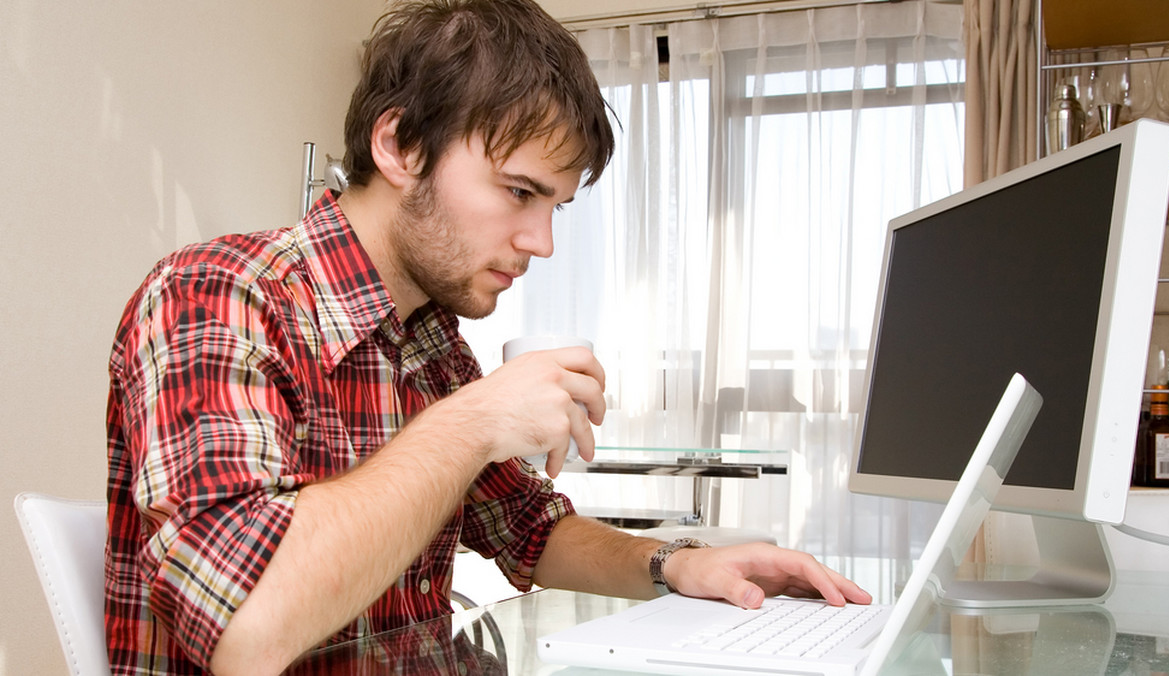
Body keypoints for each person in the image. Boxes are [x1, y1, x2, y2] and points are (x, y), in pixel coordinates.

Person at [104, 1, 872, 674]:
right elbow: (246, 629)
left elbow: (531, 531)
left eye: (556, 208)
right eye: (518, 192)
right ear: (400, 147)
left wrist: (680, 564)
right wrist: (475, 421)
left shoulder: (432, 343)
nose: (540, 242)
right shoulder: (217, 293)